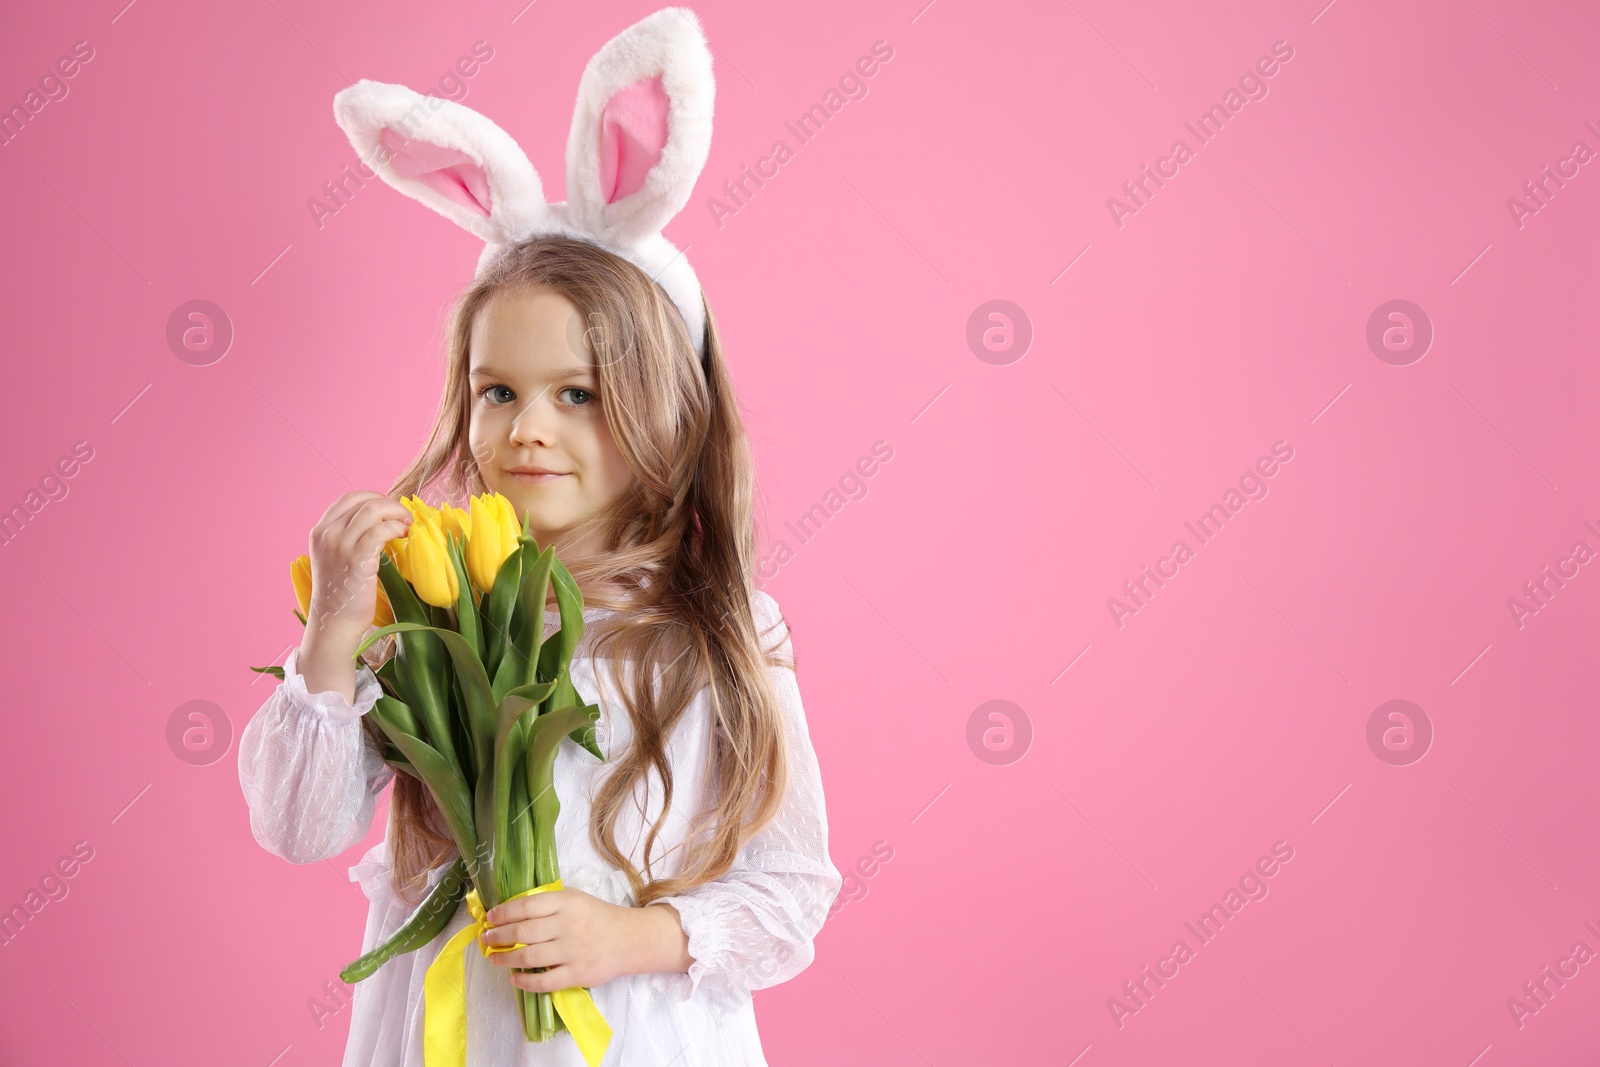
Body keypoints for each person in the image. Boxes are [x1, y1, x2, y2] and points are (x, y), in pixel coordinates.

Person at [239, 13, 840, 1062]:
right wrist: (336, 622)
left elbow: (790, 890)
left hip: (644, 1035)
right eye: (497, 391)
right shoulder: (427, 612)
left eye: (577, 393)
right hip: (453, 1034)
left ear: (664, 408)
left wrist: (630, 934)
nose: (528, 427)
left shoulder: (709, 626)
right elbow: (298, 825)